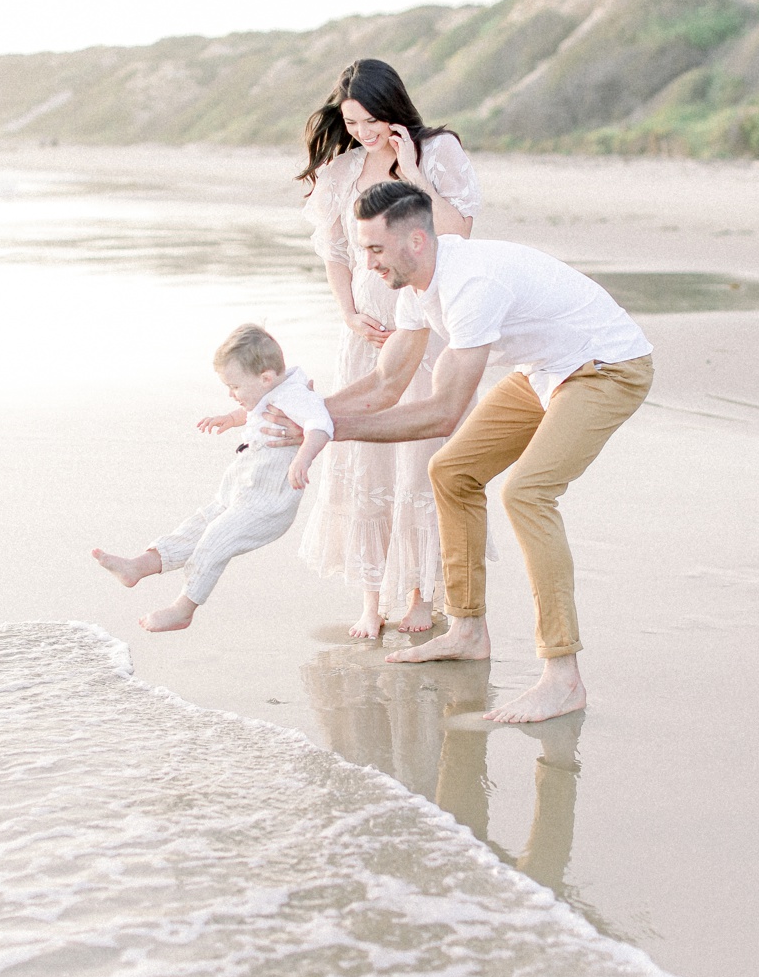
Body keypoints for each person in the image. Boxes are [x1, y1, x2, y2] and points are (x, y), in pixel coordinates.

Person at [267, 180, 654, 724]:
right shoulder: (417, 287)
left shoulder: (470, 285)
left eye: (376, 249)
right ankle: (468, 630)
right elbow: (386, 382)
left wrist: (333, 432)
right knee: (452, 471)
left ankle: (562, 678)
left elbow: (444, 412)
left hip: (607, 367)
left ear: (417, 242)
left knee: (528, 494)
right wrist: (310, 415)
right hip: (547, 370)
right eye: (363, 250)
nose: (368, 263)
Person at [297, 57, 481, 638]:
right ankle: (373, 598)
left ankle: (422, 594)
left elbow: (455, 233)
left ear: (394, 106)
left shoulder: (439, 150)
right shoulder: (342, 171)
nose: (363, 132)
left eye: (371, 120)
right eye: (352, 124)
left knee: (420, 460)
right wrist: (348, 311)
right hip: (369, 330)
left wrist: (412, 172)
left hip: (426, 325)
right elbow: (335, 251)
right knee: (364, 464)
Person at [92, 324, 331, 633]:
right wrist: (230, 419)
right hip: (240, 489)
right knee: (198, 527)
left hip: (267, 503)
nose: (231, 394)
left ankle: (184, 607)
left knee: (215, 539)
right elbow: (257, 409)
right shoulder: (271, 389)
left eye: (235, 387)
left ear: (266, 378)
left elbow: (320, 423)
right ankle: (139, 566)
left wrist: (304, 456)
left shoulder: (297, 395)